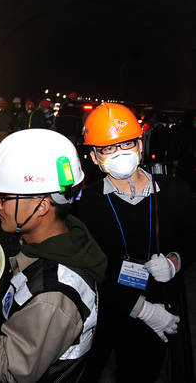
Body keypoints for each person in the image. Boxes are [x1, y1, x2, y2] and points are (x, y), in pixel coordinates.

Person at [0, 128, 107, 382]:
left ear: (42, 206)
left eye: (5, 197)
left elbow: (12, 369)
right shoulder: (43, 247)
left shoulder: (54, 298)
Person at [75, 103, 190, 382]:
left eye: (126, 143)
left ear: (139, 145)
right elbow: (89, 268)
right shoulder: (87, 205)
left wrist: (176, 261)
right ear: (93, 156)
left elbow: (192, 238)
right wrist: (142, 309)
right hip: (111, 312)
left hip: (161, 310)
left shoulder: (173, 190)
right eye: (108, 148)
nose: (120, 153)